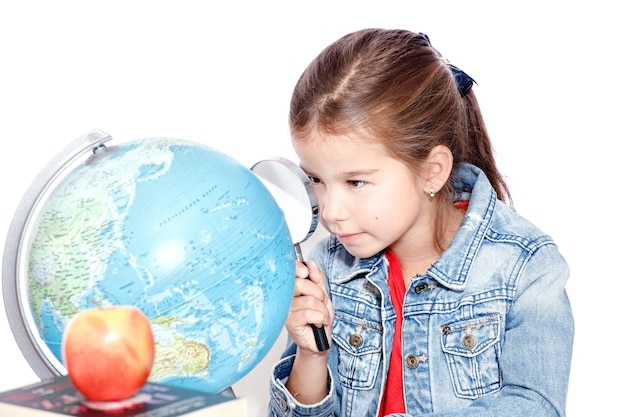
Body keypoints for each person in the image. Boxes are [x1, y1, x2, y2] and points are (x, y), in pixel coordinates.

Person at [267, 28, 574, 417]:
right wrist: (312, 355)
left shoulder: (525, 266)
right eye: (316, 181)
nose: (331, 212)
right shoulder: (329, 265)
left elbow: (537, 408)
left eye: (356, 182)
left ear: (432, 172)